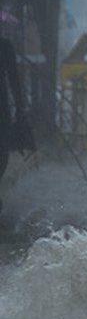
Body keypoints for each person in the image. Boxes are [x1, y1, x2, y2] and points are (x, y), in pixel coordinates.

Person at [0, 37, 27, 212]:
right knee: (2, 151)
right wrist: (19, 106)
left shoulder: (5, 46)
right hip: (2, 109)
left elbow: (14, 79)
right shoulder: (5, 45)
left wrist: (19, 106)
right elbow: (14, 79)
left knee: (2, 150)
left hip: (2, 108)